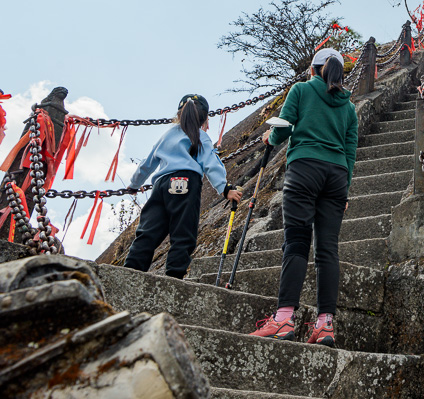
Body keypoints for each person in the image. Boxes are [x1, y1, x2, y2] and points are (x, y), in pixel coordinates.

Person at [249, 48, 358, 346]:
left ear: (313, 69)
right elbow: (350, 154)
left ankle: (284, 319)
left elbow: (282, 130)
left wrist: (268, 138)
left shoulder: (300, 90)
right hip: (336, 178)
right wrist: (344, 189)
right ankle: (325, 324)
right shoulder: (349, 108)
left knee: (297, 241)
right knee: (328, 250)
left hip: (305, 169)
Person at [124, 95, 240, 279]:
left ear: (179, 114)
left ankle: (129, 272)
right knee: (183, 232)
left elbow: (147, 163)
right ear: (204, 118)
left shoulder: (167, 135)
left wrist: (134, 184)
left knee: (148, 232)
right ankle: (174, 276)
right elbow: (211, 164)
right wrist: (225, 189)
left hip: (161, 184)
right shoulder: (201, 135)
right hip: (186, 182)